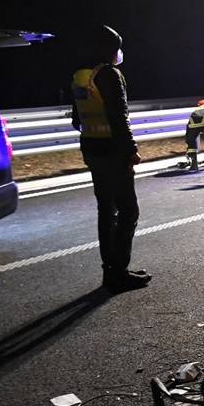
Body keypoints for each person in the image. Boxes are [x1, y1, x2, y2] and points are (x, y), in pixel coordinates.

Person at [71, 25, 150, 292]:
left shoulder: (81, 76)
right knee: (128, 211)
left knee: (106, 211)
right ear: (109, 48)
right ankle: (119, 273)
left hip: (91, 150)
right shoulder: (110, 75)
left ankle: (111, 271)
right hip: (114, 153)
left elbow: (76, 120)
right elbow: (119, 117)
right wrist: (131, 150)